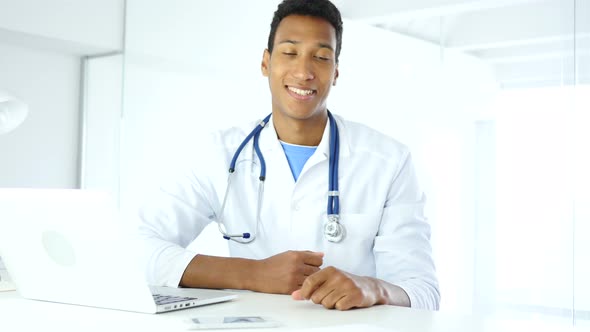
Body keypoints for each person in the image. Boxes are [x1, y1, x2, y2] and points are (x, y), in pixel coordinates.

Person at [138, 0, 439, 311]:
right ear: (266, 63)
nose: (304, 71)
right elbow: (137, 249)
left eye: (321, 57)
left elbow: (423, 292)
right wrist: (252, 273)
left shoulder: (389, 161)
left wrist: (374, 288)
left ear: (335, 72)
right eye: (290, 52)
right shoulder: (219, 154)